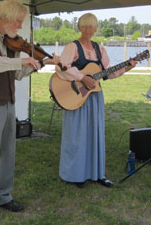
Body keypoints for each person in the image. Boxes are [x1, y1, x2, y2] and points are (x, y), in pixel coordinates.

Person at [0, 0, 59, 225]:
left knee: (7, 153)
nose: (20, 27)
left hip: (8, 102)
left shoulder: (11, 42)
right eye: (19, 22)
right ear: (7, 18)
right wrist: (21, 62)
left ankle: (2, 196)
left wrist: (34, 65)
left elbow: (16, 75)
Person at [55, 13, 137, 189]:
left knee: (95, 133)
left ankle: (97, 173)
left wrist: (127, 68)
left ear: (95, 28)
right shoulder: (72, 47)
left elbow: (107, 73)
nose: (87, 30)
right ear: (79, 27)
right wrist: (82, 77)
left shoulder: (100, 49)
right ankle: (76, 174)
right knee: (77, 135)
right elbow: (61, 68)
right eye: (84, 26)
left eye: (91, 26)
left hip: (95, 97)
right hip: (76, 97)